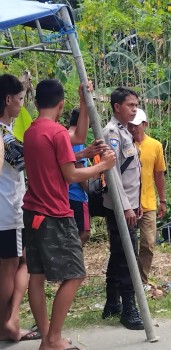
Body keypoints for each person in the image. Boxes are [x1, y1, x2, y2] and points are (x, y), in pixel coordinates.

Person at [22, 79, 116, 350]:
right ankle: (52, 339)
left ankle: (46, 338)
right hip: (54, 213)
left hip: (33, 212)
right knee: (75, 274)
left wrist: (84, 104)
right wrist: (103, 166)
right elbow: (72, 175)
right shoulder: (56, 132)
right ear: (61, 105)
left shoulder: (32, 131)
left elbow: (77, 138)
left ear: (36, 103)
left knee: (36, 277)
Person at [0, 74, 39, 342]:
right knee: (12, 267)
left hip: (8, 213)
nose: (21, 105)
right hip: (9, 213)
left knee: (17, 264)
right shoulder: (5, 136)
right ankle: (6, 324)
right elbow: (35, 161)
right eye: (21, 99)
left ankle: (8, 322)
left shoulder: (8, 132)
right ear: (8, 99)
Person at [102, 87, 144, 330]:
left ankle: (112, 302)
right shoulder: (112, 133)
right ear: (117, 107)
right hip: (120, 206)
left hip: (129, 205)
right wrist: (127, 207)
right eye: (130, 104)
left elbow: (132, 175)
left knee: (120, 253)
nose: (134, 108)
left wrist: (135, 205)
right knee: (129, 257)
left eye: (136, 104)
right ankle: (129, 308)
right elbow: (113, 173)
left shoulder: (125, 133)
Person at [128, 108, 166, 289]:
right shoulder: (125, 143)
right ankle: (128, 280)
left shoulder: (155, 146)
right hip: (128, 203)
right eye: (130, 126)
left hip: (148, 202)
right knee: (127, 244)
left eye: (136, 125)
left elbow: (159, 174)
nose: (133, 129)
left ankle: (142, 280)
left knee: (148, 243)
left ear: (145, 125)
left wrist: (162, 200)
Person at [68, 107, 108, 246]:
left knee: (71, 232)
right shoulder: (77, 142)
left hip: (67, 194)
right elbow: (78, 170)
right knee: (84, 233)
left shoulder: (66, 137)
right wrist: (91, 193)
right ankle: (72, 261)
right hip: (77, 195)